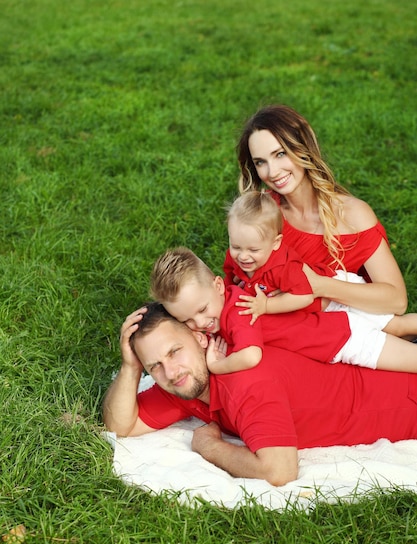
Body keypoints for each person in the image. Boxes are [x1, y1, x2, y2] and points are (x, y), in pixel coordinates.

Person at [102, 302, 417, 487]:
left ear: (200, 338)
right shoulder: (186, 382)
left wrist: (209, 447)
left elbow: (278, 471)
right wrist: (130, 368)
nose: (170, 372)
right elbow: (120, 426)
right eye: (154, 365)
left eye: (174, 352)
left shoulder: (244, 383)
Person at [236, 104, 408, 316]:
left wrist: (320, 285)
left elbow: (397, 301)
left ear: (303, 148)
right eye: (261, 162)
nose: (272, 171)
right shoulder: (265, 215)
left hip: (352, 329)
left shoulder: (353, 214)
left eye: (280, 154)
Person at [150, 246, 417, 375]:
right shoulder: (232, 293)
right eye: (186, 320)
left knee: (409, 357)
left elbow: (251, 356)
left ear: (218, 286)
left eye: (202, 309)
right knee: (400, 327)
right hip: (332, 318)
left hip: (341, 340)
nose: (200, 322)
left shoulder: (237, 314)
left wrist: (218, 366)